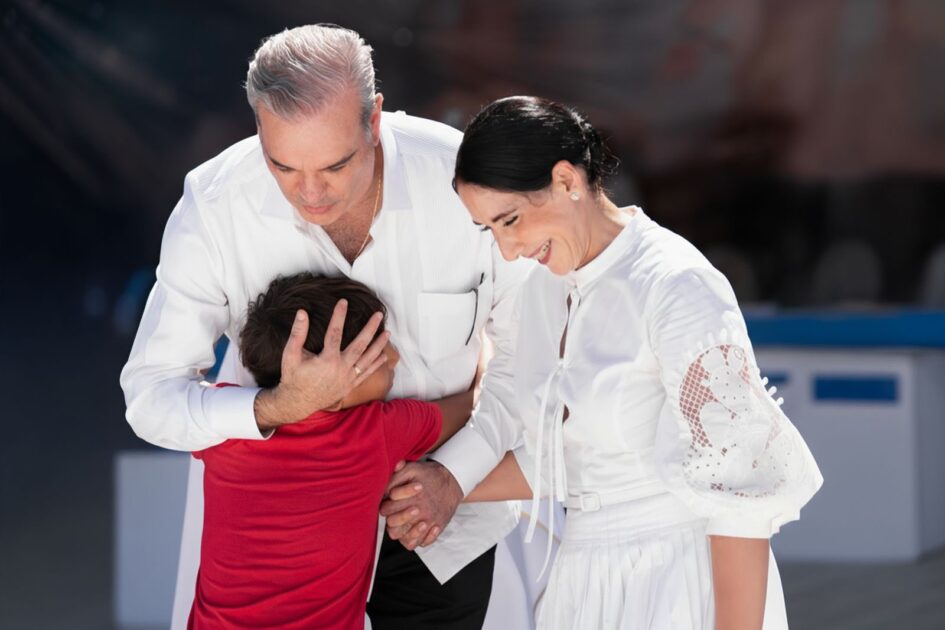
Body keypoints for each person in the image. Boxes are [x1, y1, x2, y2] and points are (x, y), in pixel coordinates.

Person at [120, 24, 530, 630]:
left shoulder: (462, 182)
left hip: (438, 518)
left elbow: (532, 355)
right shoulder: (215, 205)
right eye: (282, 166)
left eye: (335, 165)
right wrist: (274, 409)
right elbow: (149, 398)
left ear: (374, 120)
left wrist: (457, 473)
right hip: (276, 545)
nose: (309, 193)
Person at [385, 96, 823, 629]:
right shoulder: (542, 293)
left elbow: (738, 496)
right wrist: (425, 485)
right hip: (580, 581)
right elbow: (566, 462)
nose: (506, 251)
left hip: (682, 578)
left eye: (511, 220)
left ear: (567, 180)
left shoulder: (676, 284)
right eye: (489, 230)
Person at [189, 272, 475, 629]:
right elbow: (473, 404)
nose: (395, 357)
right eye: (374, 350)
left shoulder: (223, 427)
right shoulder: (375, 432)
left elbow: (188, 409)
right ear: (330, 379)